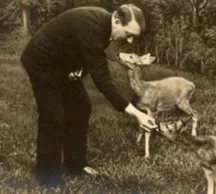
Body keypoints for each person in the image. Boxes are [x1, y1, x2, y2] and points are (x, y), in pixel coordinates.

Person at [20, 4, 157, 186]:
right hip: (41, 61)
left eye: (134, 37)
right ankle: (47, 175)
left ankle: (75, 165)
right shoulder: (93, 26)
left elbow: (83, 49)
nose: (131, 41)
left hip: (61, 64)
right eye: (129, 34)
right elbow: (103, 80)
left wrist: (79, 68)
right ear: (116, 21)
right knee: (53, 116)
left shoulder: (105, 26)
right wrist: (137, 113)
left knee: (81, 107)